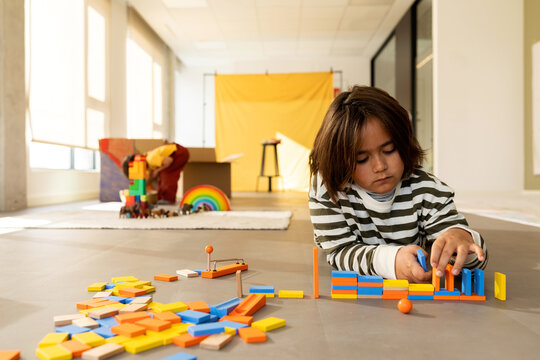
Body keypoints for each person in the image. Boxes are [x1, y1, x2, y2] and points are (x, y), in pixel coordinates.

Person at [308, 86, 487, 282]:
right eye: (361, 159)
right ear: (341, 161)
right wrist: (390, 262)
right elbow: (339, 252)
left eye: (389, 149)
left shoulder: (427, 190)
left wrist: (461, 240)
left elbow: (471, 258)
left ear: (403, 143)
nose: (380, 166)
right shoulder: (328, 191)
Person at [122, 141, 189, 205]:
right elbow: (150, 178)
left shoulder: (151, 159)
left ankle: (168, 199)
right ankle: (163, 197)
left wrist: (157, 171)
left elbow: (169, 161)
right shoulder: (145, 166)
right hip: (175, 155)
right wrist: (139, 187)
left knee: (166, 174)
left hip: (179, 153)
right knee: (163, 175)